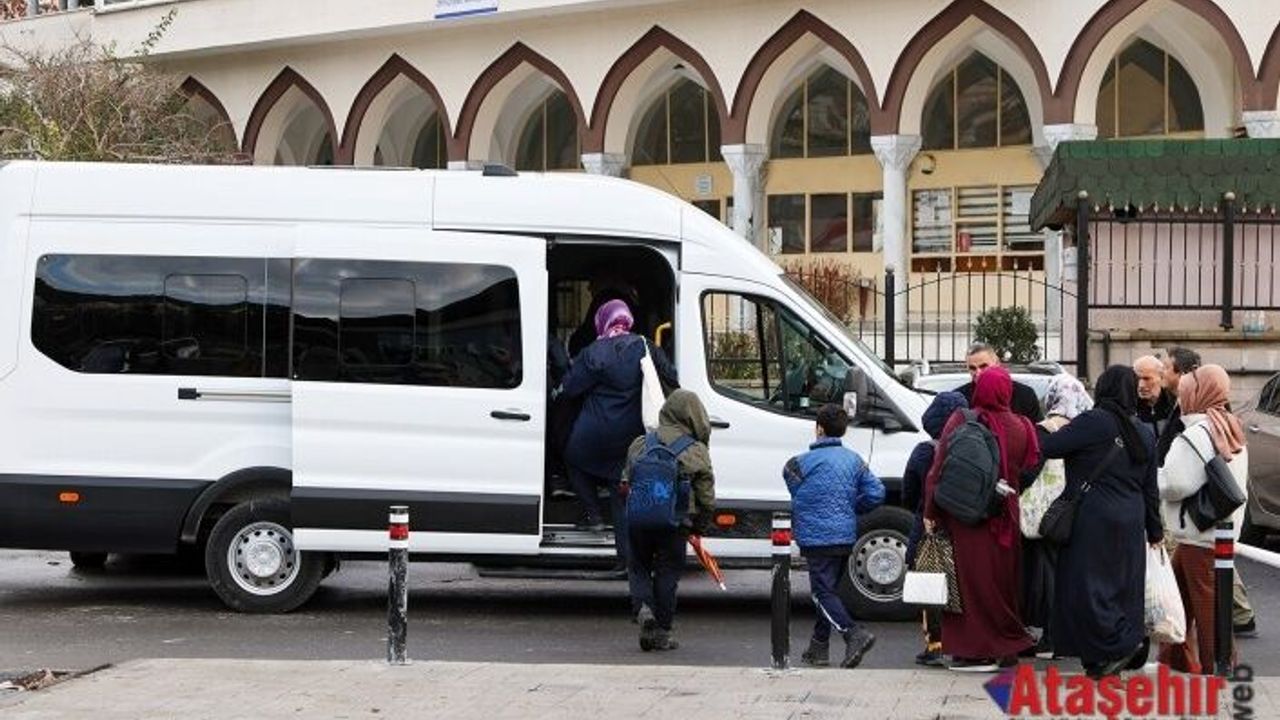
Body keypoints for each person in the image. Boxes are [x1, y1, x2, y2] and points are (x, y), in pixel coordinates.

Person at [1039, 366, 1162, 678]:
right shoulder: (1143, 431)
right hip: (1131, 519)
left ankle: (1104, 652)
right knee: (1123, 587)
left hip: (1093, 517)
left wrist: (1050, 425)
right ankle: (1117, 648)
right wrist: (1155, 530)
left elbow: (1048, 447)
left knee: (1088, 586)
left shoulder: (1094, 422)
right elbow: (1150, 487)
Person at [924, 366, 1039, 672]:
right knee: (1004, 583)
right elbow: (1030, 467)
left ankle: (975, 650)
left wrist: (930, 511)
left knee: (970, 584)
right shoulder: (1024, 425)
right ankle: (1008, 644)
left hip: (967, 516)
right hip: (1007, 513)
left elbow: (939, 468)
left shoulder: (963, 419)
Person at [559, 299, 677, 571]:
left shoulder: (593, 352)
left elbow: (571, 388)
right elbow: (670, 377)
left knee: (571, 460)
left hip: (592, 432)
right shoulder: (646, 347)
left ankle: (592, 512)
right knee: (620, 492)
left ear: (603, 320)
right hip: (630, 436)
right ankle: (625, 560)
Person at [1156, 364, 1249, 674]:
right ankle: (1176, 659)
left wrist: (1150, 479)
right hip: (1217, 530)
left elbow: (1175, 482)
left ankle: (1218, 667)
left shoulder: (1197, 432)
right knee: (1177, 601)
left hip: (1198, 532)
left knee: (1206, 607)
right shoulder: (1230, 425)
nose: (1181, 398)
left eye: (1184, 392)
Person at [785, 403, 884, 669]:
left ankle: (853, 634)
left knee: (821, 594)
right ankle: (819, 648)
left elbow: (794, 489)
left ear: (818, 429)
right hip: (845, 535)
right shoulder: (854, 460)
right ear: (844, 430)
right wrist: (851, 508)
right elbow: (876, 492)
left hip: (816, 537)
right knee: (829, 592)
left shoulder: (797, 464)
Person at [622, 389, 715, 652]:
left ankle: (643, 609)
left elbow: (626, 480)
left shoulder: (640, 443)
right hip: (675, 522)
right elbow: (707, 497)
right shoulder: (696, 451)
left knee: (638, 567)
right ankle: (662, 633)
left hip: (639, 520)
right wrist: (699, 526)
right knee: (667, 574)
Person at [1020, 373, 1094, 661]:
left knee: (1049, 574)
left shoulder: (1041, 430)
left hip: (1047, 515)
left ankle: (1052, 637)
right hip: (1078, 510)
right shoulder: (1086, 429)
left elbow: (1027, 470)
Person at [903, 391, 967, 668]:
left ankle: (935, 643)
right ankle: (963, 640)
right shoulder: (968, 448)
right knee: (961, 585)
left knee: (931, 583)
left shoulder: (923, 451)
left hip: (928, 526)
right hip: (962, 525)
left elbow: (909, 492)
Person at [956, 342, 1044, 423]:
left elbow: (1037, 433)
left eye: (983, 366)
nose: (978, 373)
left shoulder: (1025, 395)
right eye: (972, 368)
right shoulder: (959, 398)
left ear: (997, 363)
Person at [1155, 346, 1202, 464]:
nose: (1160, 372)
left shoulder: (1194, 409)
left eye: (1166, 368)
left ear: (1181, 373)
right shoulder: (1174, 402)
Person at [1134, 355, 1175, 440]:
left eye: (1147, 379)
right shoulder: (1130, 408)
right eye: (1138, 379)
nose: (1141, 385)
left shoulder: (1175, 405)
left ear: (1161, 378)